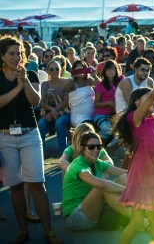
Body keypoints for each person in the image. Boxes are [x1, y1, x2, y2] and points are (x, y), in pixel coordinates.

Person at [0, 36, 62, 244]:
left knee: (37, 183)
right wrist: (16, 88)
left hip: (29, 134)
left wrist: (24, 81)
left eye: (19, 53)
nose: (16, 57)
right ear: (2, 56)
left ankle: (48, 232)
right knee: (15, 187)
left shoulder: (30, 73)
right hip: (5, 137)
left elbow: (35, 101)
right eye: (11, 54)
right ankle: (21, 231)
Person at [112, 62, 154, 244]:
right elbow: (152, 96)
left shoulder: (150, 119)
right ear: (137, 103)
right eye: (147, 99)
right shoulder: (134, 118)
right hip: (142, 176)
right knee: (136, 222)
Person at [63, 131, 129, 231]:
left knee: (125, 177)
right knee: (102, 187)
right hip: (75, 218)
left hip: (92, 209)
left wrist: (149, 175)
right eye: (91, 147)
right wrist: (129, 191)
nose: (96, 150)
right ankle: (139, 220)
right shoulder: (78, 165)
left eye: (99, 147)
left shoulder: (97, 163)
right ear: (82, 148)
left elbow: (126, 174)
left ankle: (143, 208)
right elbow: (102, 185)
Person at [38, 59, 73, 153]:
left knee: (59, 122)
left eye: (57, 69)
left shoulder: (66, 82)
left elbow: (66, 101)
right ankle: (40, 152)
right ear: (48, 71)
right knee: (41, 123)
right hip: (50, 112)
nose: (54, 71)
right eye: (51, 69)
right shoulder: (45, 84)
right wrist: (52, 111)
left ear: (61, 70)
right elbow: (42, 102)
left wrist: (53, 111)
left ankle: (64, 153)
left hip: (64, 112)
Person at [94, 60, 122, 144]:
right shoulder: (101, 85)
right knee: (107, 129)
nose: (110, 71)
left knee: (124, 128)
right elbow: (96, 104)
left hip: (116, 113)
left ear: (116, 70)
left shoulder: (121, 80)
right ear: (104, 71)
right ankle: (100, 146)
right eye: (108, 69)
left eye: (113, 69)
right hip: (101, 114)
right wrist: (108, 103)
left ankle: (110, 149)